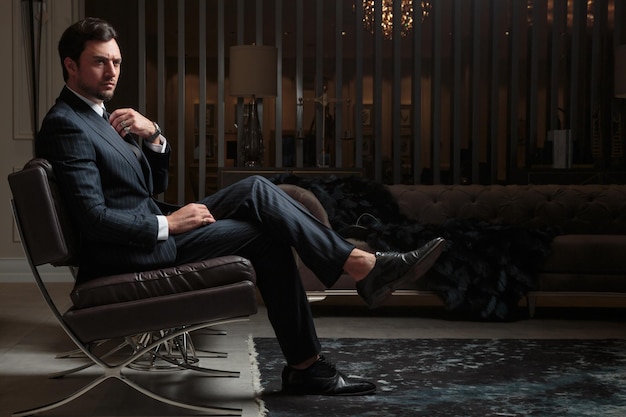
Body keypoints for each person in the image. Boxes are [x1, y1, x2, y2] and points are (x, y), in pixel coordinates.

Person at [36, 17, 446, 396]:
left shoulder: (100, 115)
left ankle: (349, 289)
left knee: (254, 188)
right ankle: (345, 299)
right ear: (71, 66)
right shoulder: (66, 124)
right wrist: (170, 224)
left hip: (147, 232)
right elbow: (93, 220)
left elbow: (148, 186)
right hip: (131, 252)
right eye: (99, 63)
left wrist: (155, 136)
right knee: (266, 235)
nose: (111, 72)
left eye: (116, 62)